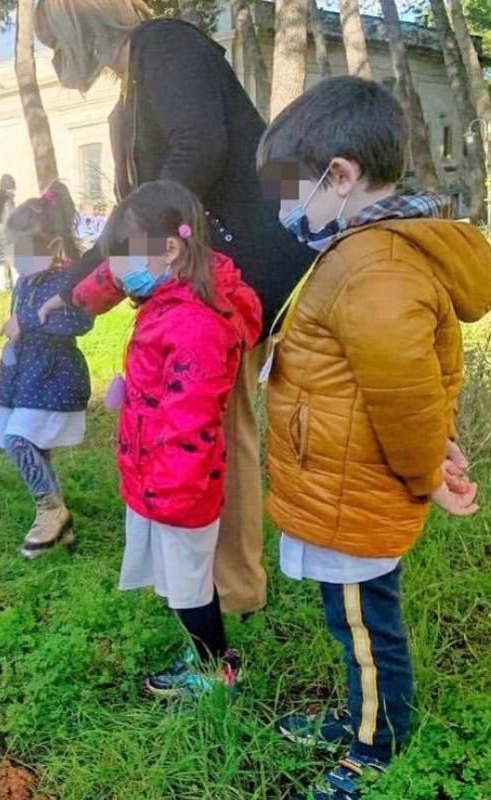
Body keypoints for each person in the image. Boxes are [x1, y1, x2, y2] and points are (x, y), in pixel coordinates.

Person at [256, 77, 491, 798]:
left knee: (366, 626)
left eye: (285, 191)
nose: (282, 211)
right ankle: (362, 718)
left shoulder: (373, 266)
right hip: (340, 474)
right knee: (352, 620)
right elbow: (399, 384)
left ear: (338, 176)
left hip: (352, 485)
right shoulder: (366, 253)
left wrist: (430, 475)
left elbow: (405, 394)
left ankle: (380, 742)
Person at [34, 0, 315, 616]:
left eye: (52, 40)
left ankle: (234, 592)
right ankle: (220, 583)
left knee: (221, 432)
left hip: (242, 275)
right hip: (200, 282)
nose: (52, 59)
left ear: (79, 25)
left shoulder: (166, 46)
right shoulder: (128, 96)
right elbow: (141, 208)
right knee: (217, 429)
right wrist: (84, 275)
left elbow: (198, 151)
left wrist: (110, 258)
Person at [69, 180, 261, 698]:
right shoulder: (169, 303)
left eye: (124, 255)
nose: (116, 270)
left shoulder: (194, 322)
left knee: (188, 587)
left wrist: (170, 495)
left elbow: (191, 419)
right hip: (161, 477)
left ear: (170, 248)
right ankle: (212, 656)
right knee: (187, 582)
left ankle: (214, 671)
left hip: (178, 487)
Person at [0, 181, 93, 559]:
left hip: (54, 378)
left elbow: (79, 322)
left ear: (50, 245)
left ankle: (50, 511)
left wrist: (27, 322)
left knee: (18, 441)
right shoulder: (24, 282)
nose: (17, 258)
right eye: (11, 250)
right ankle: (60, 527)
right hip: (26, 380)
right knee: (35, 446)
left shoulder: (66, 279)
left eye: (24, 249)